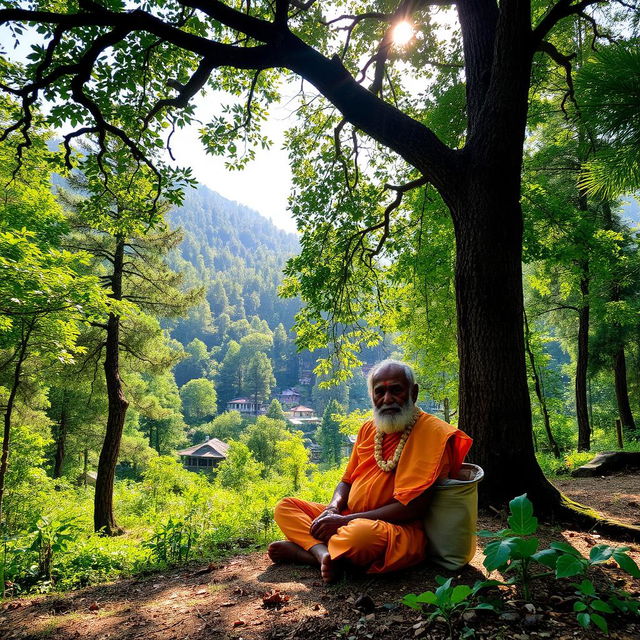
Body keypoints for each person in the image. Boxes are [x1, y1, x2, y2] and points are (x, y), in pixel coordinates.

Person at [268, 359, 473, 582]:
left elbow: (413, 508)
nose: (387, 399)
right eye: (380, 392)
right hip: (347, 518)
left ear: (413, 393)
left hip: (395, 530)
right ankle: (322, 554)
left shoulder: (433, 434)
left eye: (396, 390)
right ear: (372, 396)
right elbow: (346, 481)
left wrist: (345, 522)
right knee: (285, 507)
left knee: (360, 537)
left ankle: (303, 552)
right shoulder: (368, 428)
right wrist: (333, 508)